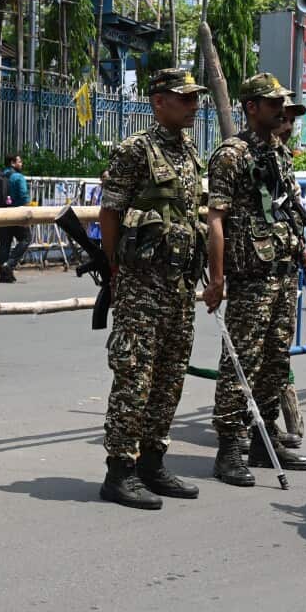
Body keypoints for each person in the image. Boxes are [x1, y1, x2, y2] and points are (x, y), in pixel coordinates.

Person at [203, 73, 306, 486]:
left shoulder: (281, 155)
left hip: (283, 272)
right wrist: (216, 280)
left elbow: (289, 214)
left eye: (285, 107)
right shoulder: (232, 155)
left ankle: (262, 436)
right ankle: (230, 448)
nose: (282, 113)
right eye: (274, 105)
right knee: (242, 362)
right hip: (250, 277)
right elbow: (214, 220)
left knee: (275, 360)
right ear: (251, 107)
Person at [97, 68, 207, 510]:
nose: (194, 105)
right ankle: (119, 470)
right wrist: (115, 269)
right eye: (185, 98)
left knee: (169, 375)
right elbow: (110, 213)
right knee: (135, 376)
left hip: (179, 283)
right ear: (159, 101)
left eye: (196, 97)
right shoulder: (135, 151)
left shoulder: (188, 153)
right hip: (141, 284)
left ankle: (152, 461)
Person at [0, 153, 31, 283]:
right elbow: (24, 197)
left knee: (4, 243)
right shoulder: (18, 177)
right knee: (26, 239)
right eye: (19, 162)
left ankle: (4, 275)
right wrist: (27, 217)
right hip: (16, 214)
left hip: (0, 214)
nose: (21, 164)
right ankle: (9, 264)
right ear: (12, 163)